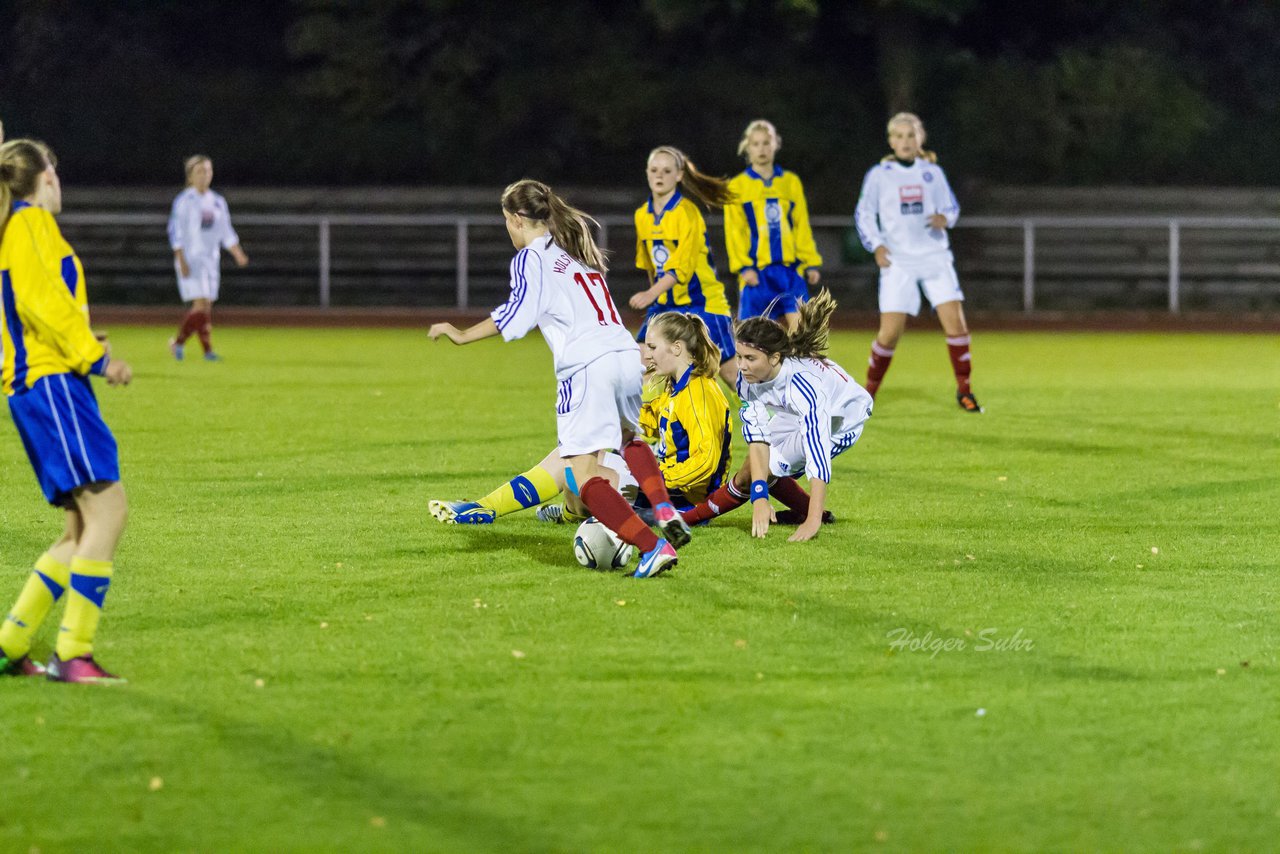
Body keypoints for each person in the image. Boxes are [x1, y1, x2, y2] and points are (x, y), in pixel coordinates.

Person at [428, 179, 689, 578]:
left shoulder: (533, 258)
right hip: (624, 353)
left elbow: (517, 313)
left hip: (588, 366)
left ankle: (653, 546)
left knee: (581, 476)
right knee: (629, 439)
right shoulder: (575, 254)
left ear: (517, 219)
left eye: (506, 221)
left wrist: (462, 335)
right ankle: (663, 507)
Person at [0, 139, 133, 683]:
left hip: (38, 383)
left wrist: (73, 342)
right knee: (110, 510)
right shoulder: (30, 222)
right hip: (54, 385)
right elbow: (42, 303)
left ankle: (9, 643)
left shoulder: (15, 229)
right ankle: (74, 654)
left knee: (78, 529)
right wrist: (94, 356)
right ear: (44, 176)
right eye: (55, 166)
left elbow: (29, 308)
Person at [431, 311, 737, 527]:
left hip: (681, 500)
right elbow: (639, 424)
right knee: (574, 454)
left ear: (678, 348)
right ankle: (491, 508)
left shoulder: (700, 392)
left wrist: (652, 478)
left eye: (654, 348)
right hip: (667, 486)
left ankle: (505, 510)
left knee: (574, 469)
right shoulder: (676, 387)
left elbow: (703, 465)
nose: (648, 356)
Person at [681, 290, 871, 543]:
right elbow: (757, 437)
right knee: (756, 469)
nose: (741, 365)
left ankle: (686, 519)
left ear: (774, 357)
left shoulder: (804, 388)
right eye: (739, 356)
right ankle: (684, 519)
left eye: (750, 358)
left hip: (843, 418)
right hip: (792, 411)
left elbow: (818, 454)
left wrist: (811, 521)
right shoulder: (747, 378)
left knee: (758, 471)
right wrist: (759, 497)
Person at [854, 112, 982, 412]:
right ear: (891, 141)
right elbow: (863, 214)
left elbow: (950, 206)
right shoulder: (879, 174)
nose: (905, 141)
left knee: (956, 327)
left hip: (934, 256)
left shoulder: (932, 173)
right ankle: (867, 394)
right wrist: (876, 245)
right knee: (889, 334)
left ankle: (965, 391)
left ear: (920, 139)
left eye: (910, 135)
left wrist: (945, 217)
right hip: (897, 261)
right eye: (898, 136)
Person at [628, 146, 739, 391]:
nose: (660, 176)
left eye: (667, 171)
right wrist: (655, 298)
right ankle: (643, 428)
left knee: (731, 374)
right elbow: (651, 266)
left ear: (679, 175)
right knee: (643, 363)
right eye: (654, 170)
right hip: (665, 305)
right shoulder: (641, 215)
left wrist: (650, 294)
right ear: (647, 173)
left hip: (703, 304)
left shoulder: (688, 213)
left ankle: (776, 416)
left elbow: (682, 270)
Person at [724, 119, 823, 330]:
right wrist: (744, 267)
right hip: (757, 274)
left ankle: (798, 364)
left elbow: (801, 225)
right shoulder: (737, 186)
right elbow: (734, 231)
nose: (762, 149)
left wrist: (810, 262)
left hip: (790, 272)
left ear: (775, 144)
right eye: (756, 143)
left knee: (803, 336)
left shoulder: (790, 182)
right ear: (747, 148)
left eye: (766, 143)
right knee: (752, 339)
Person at [167, 155, 248, 362]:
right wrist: (181, 258)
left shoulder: (217, 202)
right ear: (191, 176)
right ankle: (206, 350)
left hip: (211, 260)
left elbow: (225, 231)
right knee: (201, 304)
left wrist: (237, 252)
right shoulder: (184, 201)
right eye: (200, 172)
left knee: (205, 307)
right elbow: (175, 231)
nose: (205, 175)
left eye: (208, 171)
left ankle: (180, 344)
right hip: (191, 258)